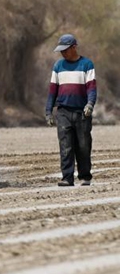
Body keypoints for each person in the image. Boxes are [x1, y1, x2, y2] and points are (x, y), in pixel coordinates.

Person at [45, 34, 97, 186]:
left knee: (83, 145)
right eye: (61, 51)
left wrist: (90, 104)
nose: (63, 53)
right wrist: (48, 112)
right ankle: (67, 178)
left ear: (74, 47)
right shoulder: (58, 66)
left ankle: (85, 176)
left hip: (82, 112)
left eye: (65, 50)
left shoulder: (87, 64)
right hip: (63, 112)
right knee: (65, 146)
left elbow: (92, 89)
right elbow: (52, 91)